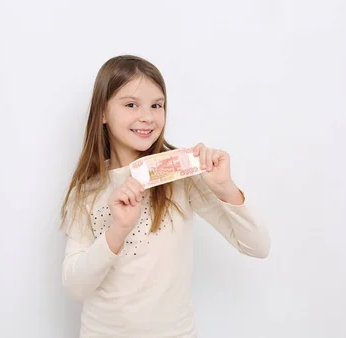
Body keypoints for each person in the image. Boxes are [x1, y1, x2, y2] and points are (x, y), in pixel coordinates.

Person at [60, 55, 270, 337]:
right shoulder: (86, 191)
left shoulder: (182, 176)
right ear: (103, 113)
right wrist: (117, 232)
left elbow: (257, 247)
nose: (147, 116)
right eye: (131, 104)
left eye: (156, 105)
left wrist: (225, 188)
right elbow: (75, 287)